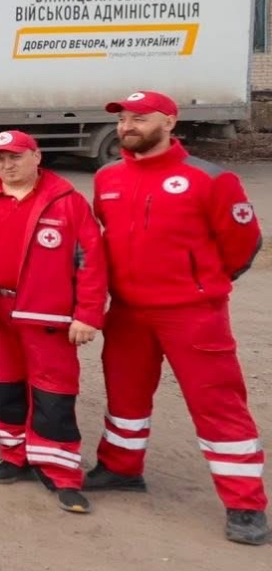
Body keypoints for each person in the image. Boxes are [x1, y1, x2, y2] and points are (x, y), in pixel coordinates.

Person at [88, 90, 267, 546]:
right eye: (124, 119)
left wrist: (199, 284)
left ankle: (245, 504)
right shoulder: (108, 177)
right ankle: (121, 468)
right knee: (125, 396)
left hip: (192, 314)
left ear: (169, 122)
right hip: (127, 311)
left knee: (217, 405)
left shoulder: (209, 178)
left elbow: (242, 244)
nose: (128, 126)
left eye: (140, 118)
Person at [0, 129, 104, 514]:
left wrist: (87, 314)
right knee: (4, 389)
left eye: (16, 157)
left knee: (53, 394)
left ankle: (60, 471)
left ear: (37, 157)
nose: (7, 165)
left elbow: (90, 260)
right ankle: (15, 456)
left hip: (47, 314)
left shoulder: (67, 202)